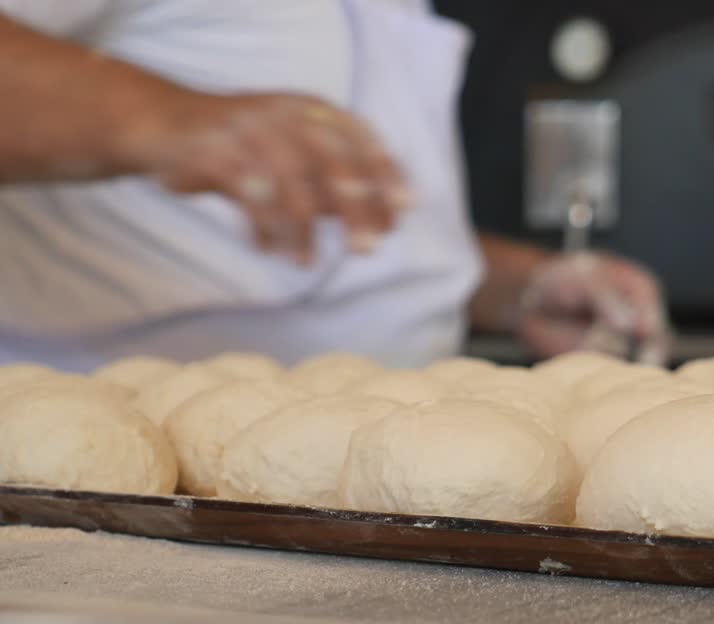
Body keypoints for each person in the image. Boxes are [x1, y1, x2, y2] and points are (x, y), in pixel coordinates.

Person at [0, 0, 671, 371]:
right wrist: (166, 119)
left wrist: (509, 284)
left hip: (377, 468)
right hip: (132, 484)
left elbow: (344, 214)